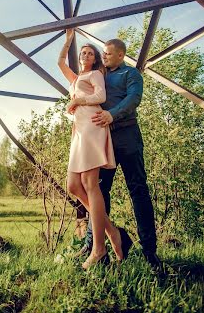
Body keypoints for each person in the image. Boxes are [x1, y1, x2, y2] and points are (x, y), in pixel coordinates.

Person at [80, 37, 160, 269]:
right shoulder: (99, 73)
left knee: (138, 190)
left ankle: (149, 251)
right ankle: (93, 245)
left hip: (127, 137)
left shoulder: (131, 75)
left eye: (107, 53)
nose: (103, 56)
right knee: (99, 190)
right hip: (103, 139)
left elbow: (134, 99)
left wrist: (112, 114)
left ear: (120, 55)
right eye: (102, 53)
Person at [58, 30, 131, 269]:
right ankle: (111, 232)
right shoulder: (76, 77)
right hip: (78, 132)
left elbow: (100, 95)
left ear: (95, 58)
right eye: (83, 52)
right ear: (79, 56)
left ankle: (99, 249)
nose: (86, 54)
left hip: (93, 126)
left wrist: (79, 100)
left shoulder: (96, 74)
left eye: (91, 53)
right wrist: (69, 39)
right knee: (73, 185)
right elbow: (60, 62)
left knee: (90, 184)